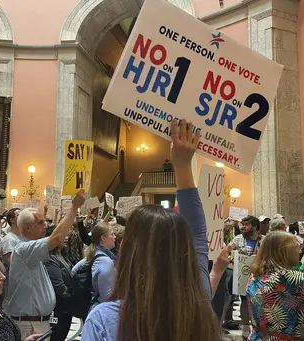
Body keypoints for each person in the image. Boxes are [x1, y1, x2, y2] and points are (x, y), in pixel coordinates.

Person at [80, 119, 221, 341]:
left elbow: (196, 236)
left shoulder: (105, 320)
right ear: (183, 251)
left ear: (131, 251)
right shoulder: (199, 303)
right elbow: (197, 235)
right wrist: (183, 165)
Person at [4, 192, 85, 339]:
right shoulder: (24, 249)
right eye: (40, 222)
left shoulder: (31, 250)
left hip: (37, 323)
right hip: (29, 325)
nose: (45, 225)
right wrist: (74, 208)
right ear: (28, 228)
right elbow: (57, 237)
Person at [247, 231, 304, 340]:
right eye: (297, 247)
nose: (300, 251)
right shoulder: (292, 279)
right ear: (285, 252)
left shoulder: (255, 274)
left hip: (257, 337)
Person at [230, 214, 264, 340]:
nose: (243, 227)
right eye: (242, 225)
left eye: (246, 225)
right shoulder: (238, 239)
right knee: (244, 301)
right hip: (242, 275)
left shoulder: (264, 240)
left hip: (259, 275)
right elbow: (228, 250)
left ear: (255, 226)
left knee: (259, 301)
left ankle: (258, 326)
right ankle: (245, 326)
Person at [72, 222, 116, 309]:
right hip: (100, 309)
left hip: (91, 306)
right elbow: (106, 297)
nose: (115, 237)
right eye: (112, 234)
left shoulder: (93, 255)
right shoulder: (106, 261)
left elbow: (73, 271)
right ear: (103, 238)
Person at [44, 234, 77, 341]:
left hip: (67, 307)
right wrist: (74, 297)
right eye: (63, 236)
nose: (66, 237)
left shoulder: (63, 255)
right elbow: (58, 286)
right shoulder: (50, 259)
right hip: (58, 308)